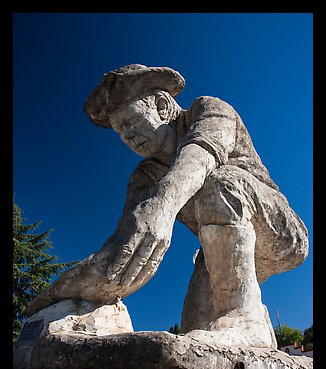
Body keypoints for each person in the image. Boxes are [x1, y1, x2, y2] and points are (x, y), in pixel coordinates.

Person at [26, 64, 308, 347]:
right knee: (196, 336)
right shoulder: (144, 176)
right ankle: (255, 323)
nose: (128, 136)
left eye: (131, 122)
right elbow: (125, 246)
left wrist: (162, 206)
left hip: (281, 231)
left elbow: (201, 154)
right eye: (120, 131)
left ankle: (244, 318)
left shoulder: (209, 110)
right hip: (222, 253)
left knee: (218, 181)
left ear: (161, 105)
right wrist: (56, 294)